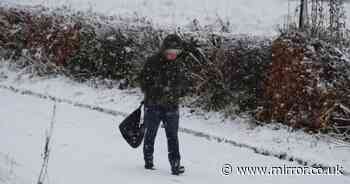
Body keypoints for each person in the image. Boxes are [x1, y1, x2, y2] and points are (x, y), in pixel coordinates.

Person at [139, 34, 189, 175]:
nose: (173, 55)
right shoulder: (152, 62)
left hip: (171, 106)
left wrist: (178, 91)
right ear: (164, 49)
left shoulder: (179, 65)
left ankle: (175, 165)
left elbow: (185, 85)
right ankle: (148, 161)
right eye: (170, 52)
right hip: (153, 105)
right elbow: (143, 82)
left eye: (176, 52)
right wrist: (156, 89)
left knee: (172, 136)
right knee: (150, 133)